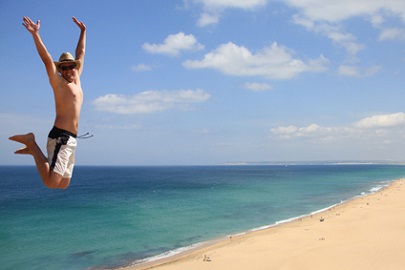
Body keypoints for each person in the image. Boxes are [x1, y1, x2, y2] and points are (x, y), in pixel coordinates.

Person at [9, 16, 86, 189]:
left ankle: (33, 152)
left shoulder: (77, 80)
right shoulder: (59, 84)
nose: (67, 70)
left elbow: (80, 53)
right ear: (60, 70)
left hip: (71, 139)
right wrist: (36, 34)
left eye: (70, 66)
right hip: (60, 137)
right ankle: (31, 143)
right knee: (51, 183)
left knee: (63, 185)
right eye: (63, 68)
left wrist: (83, 32)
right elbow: (46, 58)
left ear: (75, 66)